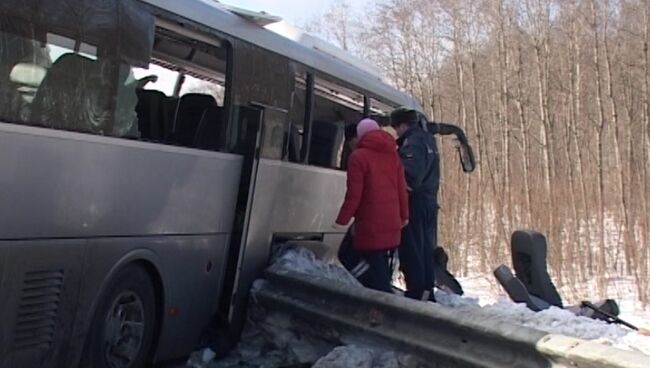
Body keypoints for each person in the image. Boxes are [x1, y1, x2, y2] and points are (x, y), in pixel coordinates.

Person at [335, 118, 409, 293]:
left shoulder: (358, 157)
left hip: (370, 221)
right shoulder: (393, 156)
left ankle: (381, 298)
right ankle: (380, 297)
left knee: (347, 255)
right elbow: (402, 190)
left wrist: (342, 220)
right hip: (391, 221)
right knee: (379, 263)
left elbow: (354, 194)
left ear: (360, 135)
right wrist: (404, 216)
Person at [390, 107, 440, 301]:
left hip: (416, 203)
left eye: (397, 128)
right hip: (429, 201)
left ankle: (417, 293)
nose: (396, 133)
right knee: (426, 251)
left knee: (412, 251)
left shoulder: (413, 142)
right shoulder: (429, 139)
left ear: (403, 125)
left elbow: (410, 175)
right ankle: (426, 293)